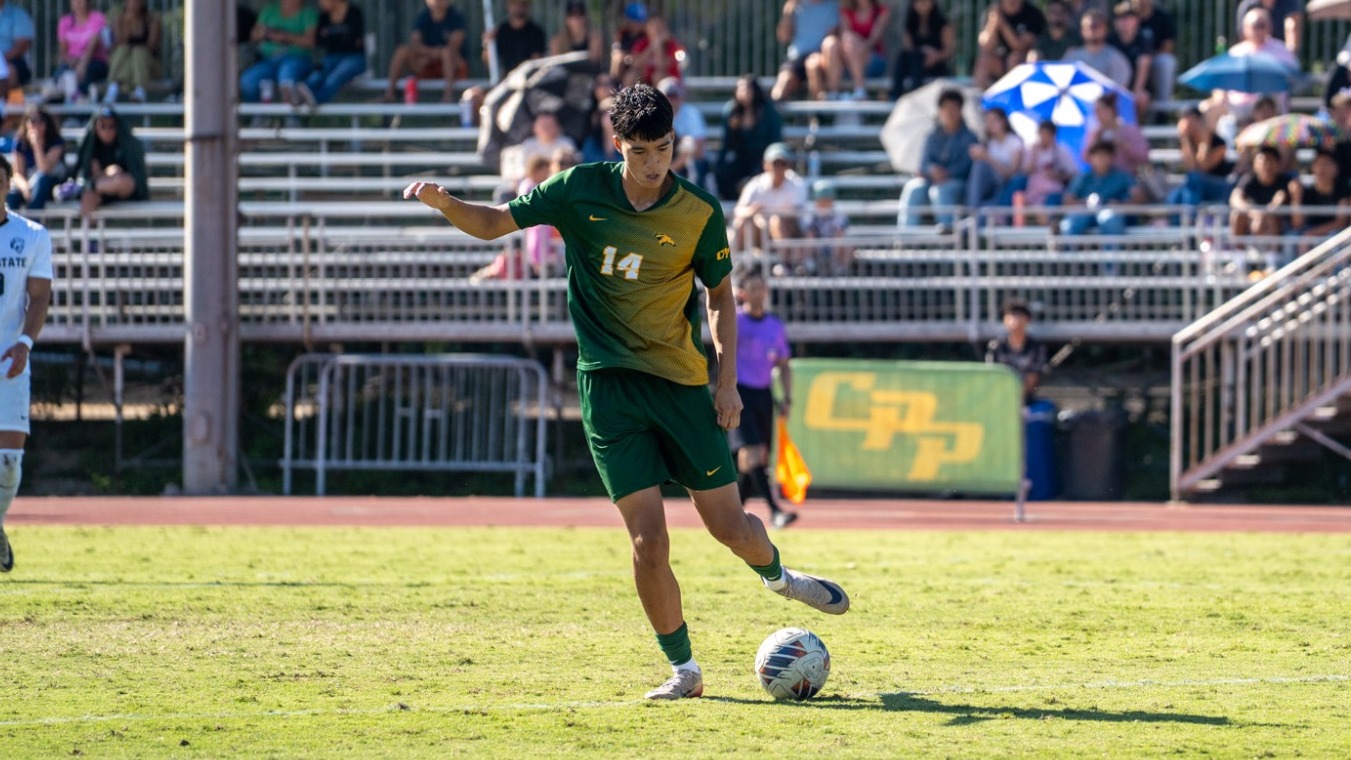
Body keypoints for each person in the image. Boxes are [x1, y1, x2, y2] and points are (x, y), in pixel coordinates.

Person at [403, 83, 851, 701]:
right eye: (640, 151)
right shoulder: (577, 188)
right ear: (619, 146)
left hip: (682, 386)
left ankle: (779, 577)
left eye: (663, 149)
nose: (653, 164)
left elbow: (720, 296)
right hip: (610, 389)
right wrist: (444, 200)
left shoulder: (698, 210)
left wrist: (726, 380)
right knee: (649, 540)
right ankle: (685, 671)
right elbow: (493, 224)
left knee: (730, 529)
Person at [0, 154, 52, 576]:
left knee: (8, 460)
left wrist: (24, 343)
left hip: (9, 359)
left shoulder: (31, 235)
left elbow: (39, 298)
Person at [729, 267, 797, 529]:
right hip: (740, 393)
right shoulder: (734, 321)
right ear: (742, 293)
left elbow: (784, 364)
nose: (759, 294)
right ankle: (775, 511)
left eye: (762, 288)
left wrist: (786, 397)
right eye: (754, 288)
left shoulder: (774, 325)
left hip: (764, 395)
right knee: (752, 454)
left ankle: (733, 516)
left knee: (753, 462)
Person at [898, 88, 978, 229]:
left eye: (954, 108)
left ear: (961, 111)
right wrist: (930, 170)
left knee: (941, 190)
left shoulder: (970, 137)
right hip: (931, 180)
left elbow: (968, 166)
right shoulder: (932, 136)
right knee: (913, 188)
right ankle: (906, 236)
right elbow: (924, 163)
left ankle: (948, 233)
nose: (949, 112)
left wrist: (947, 173)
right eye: (945, 108)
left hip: (957, 183)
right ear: (940, 111)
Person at [713, 74, 783, 201]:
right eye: (740, 89)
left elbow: (775, 139)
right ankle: (731, 201)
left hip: (762, 156)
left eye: (747, 89)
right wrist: (720, 162)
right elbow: (727, 142)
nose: (743, 93)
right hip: (741, 156)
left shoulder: (768, 110)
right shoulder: (731, 111)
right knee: (723, 170)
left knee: (760, 172)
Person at [732, 142, 807, 258]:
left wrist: (772, 216)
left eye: (782, 163)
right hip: (760, 233)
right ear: (765, 165)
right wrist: (752, 211)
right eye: (775, 163)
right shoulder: (755, 185)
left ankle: (783, 263)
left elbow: (796, 215)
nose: (778, 168)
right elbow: (738, 210)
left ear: (788, 165)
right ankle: (735, 265)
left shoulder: (796, 183)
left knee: (776, 221)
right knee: (742, 222)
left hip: (791, 233)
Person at [382, 0, 467, 103]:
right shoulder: (423, 17)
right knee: (402, 51)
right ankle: (390, 93)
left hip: (450, 66)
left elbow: (454, 46)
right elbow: (415, 43)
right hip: (426, 63)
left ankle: (448, 96)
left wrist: (436, 54)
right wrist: (432, 54)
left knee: (447, 54)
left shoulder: (456, 17)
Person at [75, 106, 149, 219]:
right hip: (100, 190)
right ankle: (90, 235)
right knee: (88, 197)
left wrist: (110, 174)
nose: (107, 131)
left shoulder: (128, 144)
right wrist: (106, 173)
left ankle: (94, 186)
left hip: (124, 190)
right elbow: (89, 173)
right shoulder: (90, 146)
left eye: (111, 126)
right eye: (102, 126)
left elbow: (134, 179)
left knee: (121, 180)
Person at [241, 0, 318, 105]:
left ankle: (291, 117)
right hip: (269, 60)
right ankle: (261, 116)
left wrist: (285, 37)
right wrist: (265, 33)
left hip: (297, 59)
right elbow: (254, 35)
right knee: (248, 80)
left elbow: (311, 41)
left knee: (287, 76)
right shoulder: (270, 10)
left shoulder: (308, 13)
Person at [294, 0, 366, 106]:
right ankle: (300, 94)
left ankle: (316, 99)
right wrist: (340, 36)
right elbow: (320, 41)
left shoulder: (354, 13)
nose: (320, 3)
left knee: (334, 77)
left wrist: (331, 36)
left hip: (354, 58)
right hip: (332, 57)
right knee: (318, 73)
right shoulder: (324, 17)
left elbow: (355, 40)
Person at [1059, 140, 1134, 236]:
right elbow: (1068, 200)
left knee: (1110, 220)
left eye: (1104, 155)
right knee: (1072, 222)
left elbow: (1138, 196)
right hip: (1084, 211)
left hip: (1112, 212)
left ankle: (1112, 251)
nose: (1100, 159)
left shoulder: (1122, 177)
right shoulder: (1083, 177)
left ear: (1112, 158)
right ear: (1091, 158)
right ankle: (1068, 250)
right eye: (1096, 155)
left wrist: (1120, 204)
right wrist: (1084, 203)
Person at [1164, 108, 1234, 210]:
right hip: (1197, 186)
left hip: (1220, 185)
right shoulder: (1188, 142)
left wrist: (1204, 142)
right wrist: (1185, 139)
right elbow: (1191, 167)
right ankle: (1175, 224)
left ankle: (1190, 219)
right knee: (1176, 196)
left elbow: (1203, 167)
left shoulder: (1218, 142)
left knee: (1194, 179)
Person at [772, 0, 840, 101]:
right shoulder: (794, 7)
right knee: (782, 84)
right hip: (796, 57)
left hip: (820, 57)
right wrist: (788, 14)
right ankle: (771, 111)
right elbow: (783, 37)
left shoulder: (832, 6)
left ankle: (819, 112)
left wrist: (820, 54)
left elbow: (831, 36)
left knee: (813, 66)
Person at [973, 0, 1046, 88]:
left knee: (1014, 58)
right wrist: (993, 24)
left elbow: (1020, 47)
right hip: (1001, 60)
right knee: (984, 61)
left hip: (1025, 59)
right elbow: (985, 46)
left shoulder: (1032, 14)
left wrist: (1004, 25)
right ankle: (982, 97)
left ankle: (1013, 97)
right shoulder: (992, 13)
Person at [986, 299, 1047, 404]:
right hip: (1000, 399)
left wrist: (1017, 398)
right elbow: (992, 376)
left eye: (1019, 316)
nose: (1015, 320)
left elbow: (1033, 378)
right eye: (1011, 316)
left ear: (1028, 320)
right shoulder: (996, 346)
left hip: (1027, 401)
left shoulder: (1037, 348)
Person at [891, 0, 954, 98]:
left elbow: (949, 51)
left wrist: (935, 56)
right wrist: (922, 51)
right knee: (905, 56)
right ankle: (895, 94)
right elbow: (908, 48)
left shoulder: (943, 24)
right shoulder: (910, 24)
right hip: (915, 64)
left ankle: (915, 92)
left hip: (936, 65)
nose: (922, 4)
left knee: (915, 57)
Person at [6, 106, 64, 212]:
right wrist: (25, 188)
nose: (36, 125)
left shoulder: (56, 141)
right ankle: (10, 227)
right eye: (32, 121)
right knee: (12, 194)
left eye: (41, 121)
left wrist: (36, 144)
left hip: (50, 185)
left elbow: (44, 169)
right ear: (26, 124)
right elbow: (18, 174)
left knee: (41, 180)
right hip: (28, 184)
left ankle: (33, 224)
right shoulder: (20, 142)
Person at [1229, 145, 1293, 240]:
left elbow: (1278, 202)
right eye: (1261, 160)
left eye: (1269, 160)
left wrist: (1263, 214)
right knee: (1237, 214)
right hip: (1252, 218)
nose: (1265, 164)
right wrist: (1252, 212)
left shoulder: (1284, 182)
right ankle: (1239, 251)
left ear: (1277, 164)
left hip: (1276, 222)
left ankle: (1273, 252)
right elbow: (1235, 199)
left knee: (1272, 218)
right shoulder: (1248, 180)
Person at [103, 0, 161, 104]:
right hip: (126, 63)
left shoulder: (151, 20)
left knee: (138, 52)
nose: (133, 4)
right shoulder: (119, 19)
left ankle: (114, 86)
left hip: (147, 66)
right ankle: (136, 90)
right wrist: (127, 23)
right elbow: (119, 41)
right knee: (122, 50)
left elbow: (152, 46)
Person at [966, 107, 1025, 209]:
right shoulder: (990, 143)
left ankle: (973, 207)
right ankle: (973, 206)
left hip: (1006, 184)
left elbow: (1011, 173)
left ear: (1003, 121)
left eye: (994, 120)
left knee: (980, 166)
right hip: (991, 187)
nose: (991, 124)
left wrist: (987, 158)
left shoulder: (1014, 142)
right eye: (988, 121)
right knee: (978, 166)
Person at [1289, 148, 1350, 245]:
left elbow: (1340, 223)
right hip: (1310, 231)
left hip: (1332, 233)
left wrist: (1312, 234)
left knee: (1334, 237)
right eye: (1318, 163)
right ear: (1312, 167)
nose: (1322, 168)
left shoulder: (1343, 191)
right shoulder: (1307, 191)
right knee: (1292, 236)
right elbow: (1298, 224)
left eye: (1326, 163)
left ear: (1336, 168)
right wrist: (1296, 197)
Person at [54, 0, 111, 102]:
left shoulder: (97, 18)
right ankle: (76, 99)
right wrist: (70, 61)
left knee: (81, 76)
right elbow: (63, 50)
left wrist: (83, 64)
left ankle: (79, 108)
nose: (78, 3)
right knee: (61, 72)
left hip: (94, 61)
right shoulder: (65, 21)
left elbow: (92, 45)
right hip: (73, 62)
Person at [657, 77, 709, 190]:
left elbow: (699, 150)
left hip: (685, 165)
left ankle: (693, 192)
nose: (671, 100)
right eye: (667, 96)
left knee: (688, 143)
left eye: (674, 96)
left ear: (681, 97)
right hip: (660, 161)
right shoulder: (653, 116)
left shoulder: (692, 114)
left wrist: (671, 168)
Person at [1082, 91, 1149, 178]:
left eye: (1100, 110)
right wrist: (1095, 139)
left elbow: (1144, 157)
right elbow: (1085, 158)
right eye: (1095, 111)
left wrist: (1123, 144)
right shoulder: (1094, 133)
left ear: (1111, 110)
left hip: (1126, 180)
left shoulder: (1130, 131)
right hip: (1101, 180)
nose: (1097, 115)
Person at [834, 0, 890, 100]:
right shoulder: (846, 11)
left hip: (874, 60)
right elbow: (845, 36)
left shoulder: (882, 10)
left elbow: (874, 39)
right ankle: (855, 92)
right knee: (849, 41)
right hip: (849, 60)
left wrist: (859, 46)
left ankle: (860, 90)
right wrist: (854, 45)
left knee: (852, 43)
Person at [1021, 120, 1079, 214]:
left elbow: (1074, 173)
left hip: (1054, 191)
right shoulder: (1032, 150)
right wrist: (1033, 157)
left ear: (1053, 135)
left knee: (1049, 208)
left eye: (1047, 134)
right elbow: (1025, 171)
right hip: (1034, 191)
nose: (1044, 137)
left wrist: (1057, 175)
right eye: (1041, 134)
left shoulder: (1061, 151)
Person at [1064, 9, 1131, 89]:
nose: (1093, 30)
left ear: (1105, 29)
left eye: (1096, 26)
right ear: (1082, 30)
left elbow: (1119, 90)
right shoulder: (1072, 58)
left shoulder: (1116, 58)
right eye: (1089, 27)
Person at [1108, 3, 1152, 118]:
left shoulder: (1143, 40)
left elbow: (1143, 66)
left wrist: (1136, 90)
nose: (1125, 22)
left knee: (1141, 97)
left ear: (1136, 20)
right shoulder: (1110, 41)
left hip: (1135, 85)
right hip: (1115, 85)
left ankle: (1134, 128)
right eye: (1121, 18)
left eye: (1128, 17)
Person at [483, 0, 546, 78]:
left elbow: (536, 63)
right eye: (515, 3)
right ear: (508, 5)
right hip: (506, 81)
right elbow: (490, 64)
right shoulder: (501, 31)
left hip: (527, 81)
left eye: (523, 3)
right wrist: (487, 44)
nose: (519, 6)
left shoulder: (536, 32)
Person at [803, 179, 853, 274]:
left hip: (834, 248)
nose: (824, 203)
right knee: (805, 240)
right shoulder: (811, 213)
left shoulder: (838, 213)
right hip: (818, 248)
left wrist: (834, 254)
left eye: (827, 200)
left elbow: (840, 232)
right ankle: (810, 266)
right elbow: (810, 233)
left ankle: (838, 268)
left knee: (849, 245)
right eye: (822, 200)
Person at [1132, 0, 1176, 108]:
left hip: (1153, 60)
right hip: (1129, 60)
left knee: (1166, 62)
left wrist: (1147, 58)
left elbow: (1168, 46)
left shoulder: (1162, 17)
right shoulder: (1125, 15)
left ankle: (1163, 109)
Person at [627, 15, 684, 87]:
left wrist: (658, 48)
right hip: (646, 79)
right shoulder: (642, 43)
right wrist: (651, 47)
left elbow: (661, 66)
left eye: (659, 25)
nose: (656, 29)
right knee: (631, 76)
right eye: (653, 25)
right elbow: (635, 64)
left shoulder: (672, 44)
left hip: (669, 80)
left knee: (658, 76)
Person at [1235, 0, 1303, 56]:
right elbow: (1243, 36)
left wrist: (1290, 54)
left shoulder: (1288, 2)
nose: (1259, 30)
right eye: (1257, 25)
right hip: (1252, 54)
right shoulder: (1248, 5)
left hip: (1279, 55)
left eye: (1262, 26)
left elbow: (1292, 26)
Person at [610, 2, 650, 86]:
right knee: (617, 59)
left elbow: (642, 59)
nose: (638, 24)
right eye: (635, 21)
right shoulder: (622, 34)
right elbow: (616, 50)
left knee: (631, 76)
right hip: (624, 65)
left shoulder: (647, 35)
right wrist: (626, 57)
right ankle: (613, 84)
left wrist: (630, 57)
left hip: (640, 68)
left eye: (640, 21)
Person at [0, 0, 34, 92]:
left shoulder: (19, 15)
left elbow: (21, 46)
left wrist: (2, 62)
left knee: (7, 72)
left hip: (13, 61)